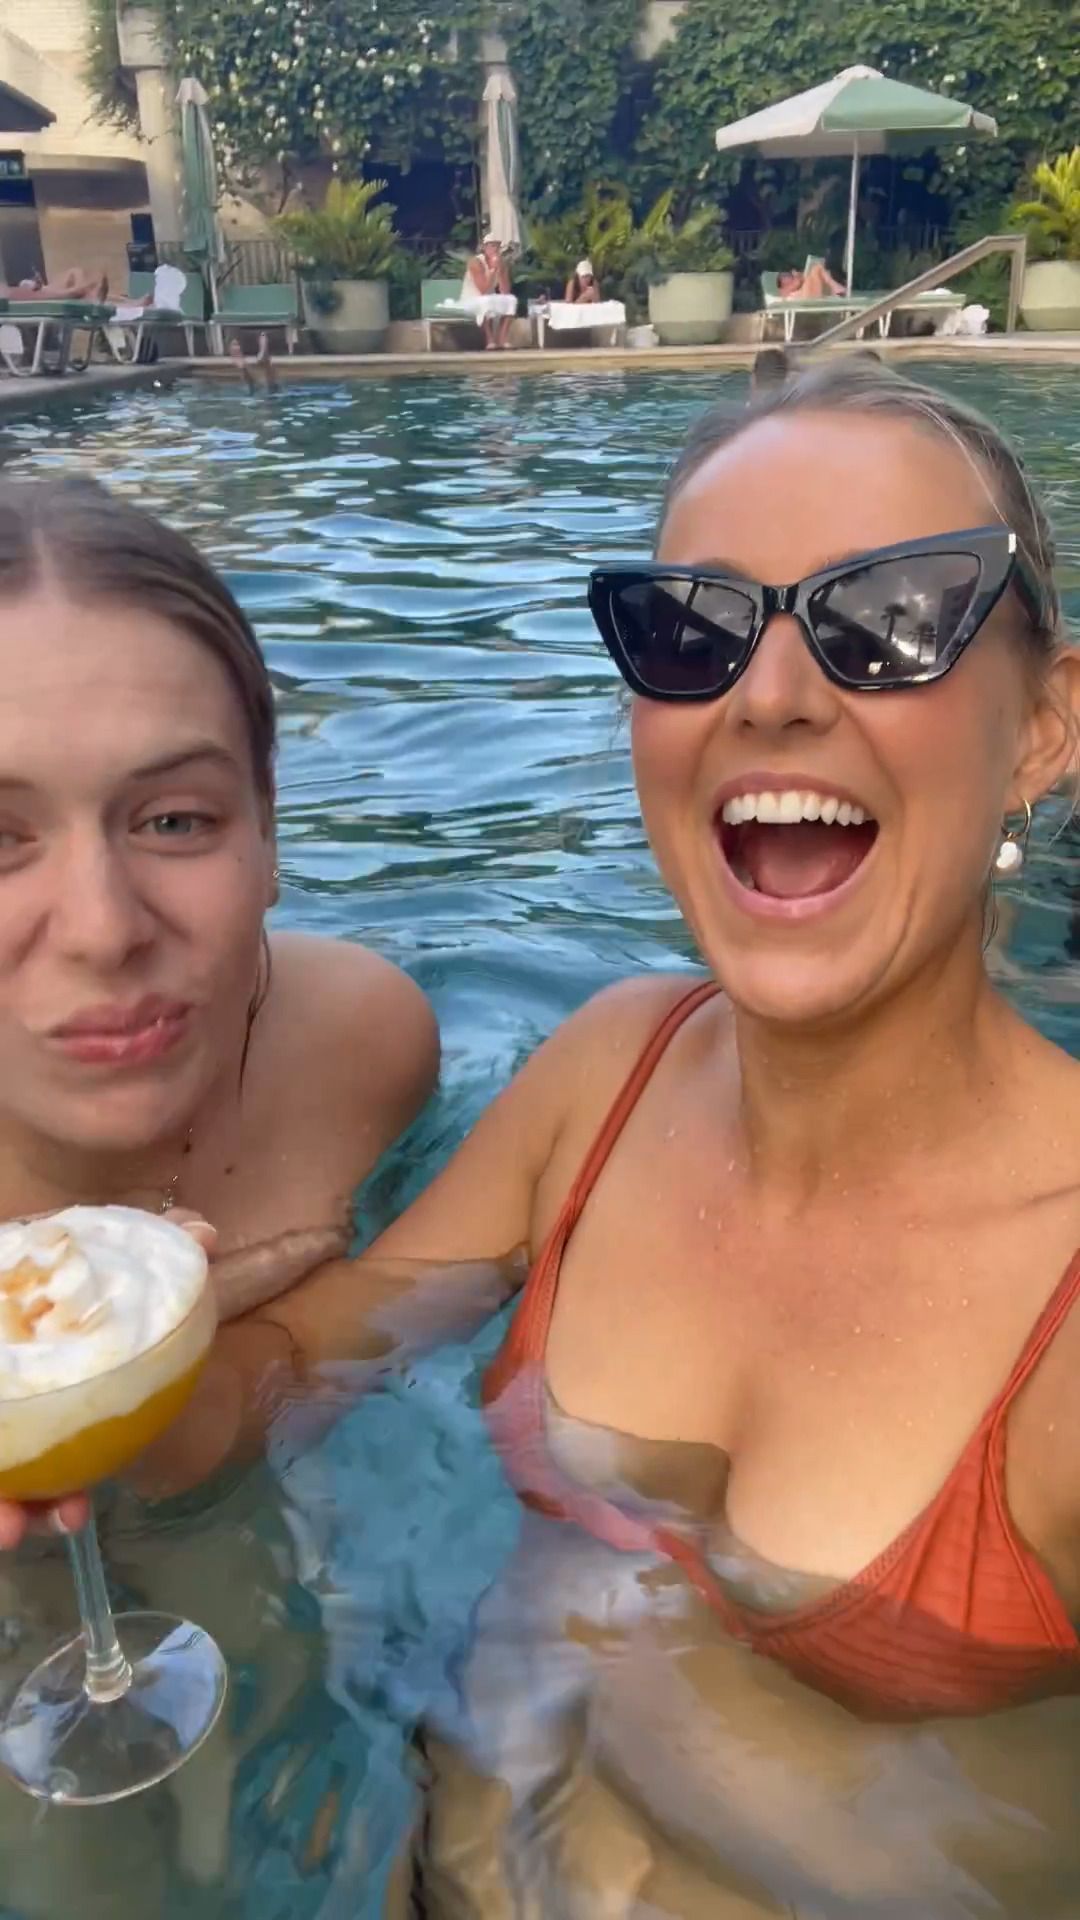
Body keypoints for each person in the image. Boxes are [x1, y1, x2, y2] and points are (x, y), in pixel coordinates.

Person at [7, 365, 1080, 1911]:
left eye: (893, 618)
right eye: (694, 633)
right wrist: (106, 1366)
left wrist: (620, 1665)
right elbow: (296, 1370)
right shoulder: (603, 1076)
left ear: (1043, 727)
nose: (772, 694)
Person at [462, 233, 517, 350]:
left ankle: (503, 339)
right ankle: (490, 340)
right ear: (485, 247)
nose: (495, 249)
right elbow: (483, 289)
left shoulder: (501, 262)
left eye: (497, 246)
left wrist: (500, 270)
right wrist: (492, 271)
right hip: (472, 297)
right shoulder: (475, 262)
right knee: (485, 302)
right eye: (492, 246)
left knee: (511, 300)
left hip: (489, 297)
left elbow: (505, 291)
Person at [778, 260, 845, 299]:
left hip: (812, 301)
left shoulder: (800, 286)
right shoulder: (789, 296)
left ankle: (836, 288)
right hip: (810, 302)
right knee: (816, 269)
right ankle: (836, 288)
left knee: (816, 269)